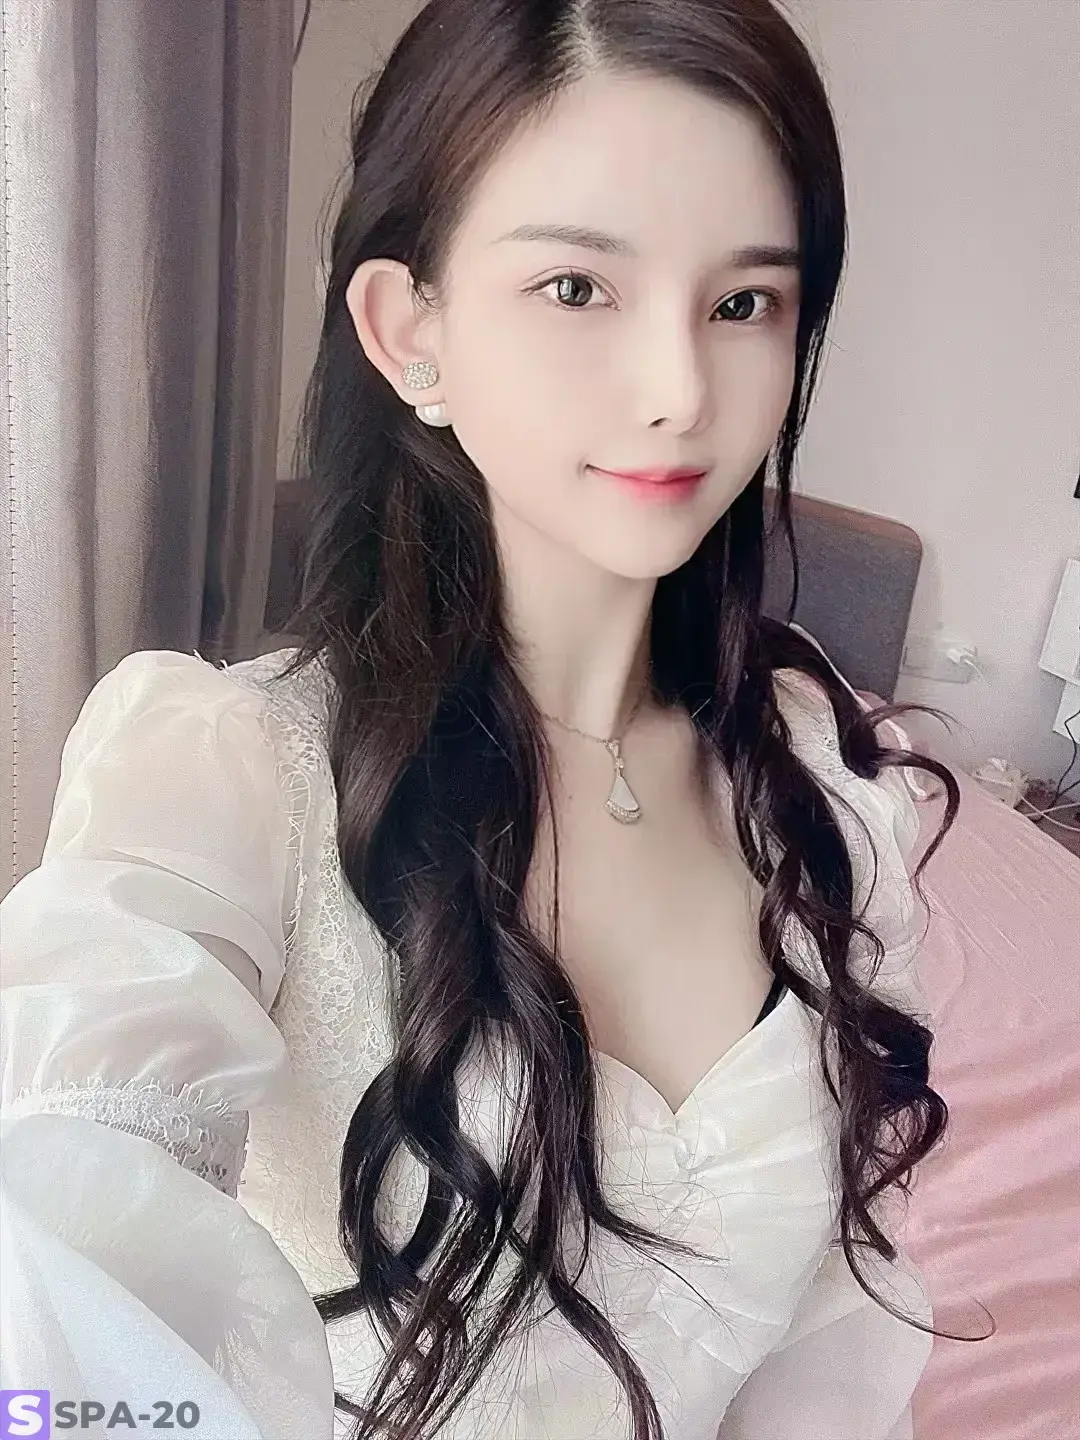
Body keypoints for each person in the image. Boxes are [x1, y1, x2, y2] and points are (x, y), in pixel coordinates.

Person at [0, 1, 962, 1436]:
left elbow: (830, 1344)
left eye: (743, 303)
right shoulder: (229, 776)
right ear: (411, 334)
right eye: (578, 287)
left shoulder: (829, 798)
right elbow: (54, 1276)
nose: (679, 391)